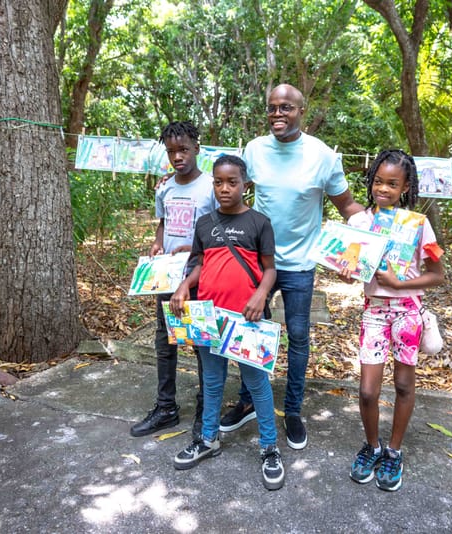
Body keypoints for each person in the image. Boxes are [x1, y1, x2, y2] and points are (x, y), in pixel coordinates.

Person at [218, 83, 364, 450]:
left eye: (286, 108)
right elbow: (227, 185)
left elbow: (346, 205)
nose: (278, 114)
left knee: (298, 337)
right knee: (247, 330)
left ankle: (293, 409)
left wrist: (377, 233)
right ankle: (249, 400)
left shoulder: (322, 156)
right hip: (256, 260)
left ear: (301, 110)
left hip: (300, 263)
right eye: (272, 108)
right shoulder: (253, 150)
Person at [170, 155, 284, 491]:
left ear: (245, 184)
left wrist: (262, 294)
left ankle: (269, 447)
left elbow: (271, 268)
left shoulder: (259, 223)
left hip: (246, 320)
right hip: (209, 317)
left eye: (231, 182)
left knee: (257, 384)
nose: (224, 188)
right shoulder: (205, 223)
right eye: (218, 182)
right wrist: (184, 286)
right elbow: (199, 263)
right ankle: (208, 440)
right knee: (213, 381)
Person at [339, 149, 445, 492]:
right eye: (378, 182)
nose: (383, 189)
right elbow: (350, 269)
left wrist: (400, 284)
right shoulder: (358, 224)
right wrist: (344, 271)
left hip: (408, 312)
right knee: (368, 390)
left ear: (405, 187)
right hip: (374, 312)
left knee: (402, 385)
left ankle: (394, 451)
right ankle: (372, 446)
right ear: (371, 182)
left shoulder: (419, 224)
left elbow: (437, 274)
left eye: (392, 184)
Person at [130, 121, 217, 438]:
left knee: (198, 343)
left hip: (198, 278)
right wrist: (157, 243)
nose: (177, 156)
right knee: (165, 342)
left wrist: (197, 248)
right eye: (171, 151)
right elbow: (163, 224)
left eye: (183, 149)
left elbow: (219, 233)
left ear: (197, 148)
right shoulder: (165, 187)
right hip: (166, 277)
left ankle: (206, 409)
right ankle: (165, 407)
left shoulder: (210, 186)